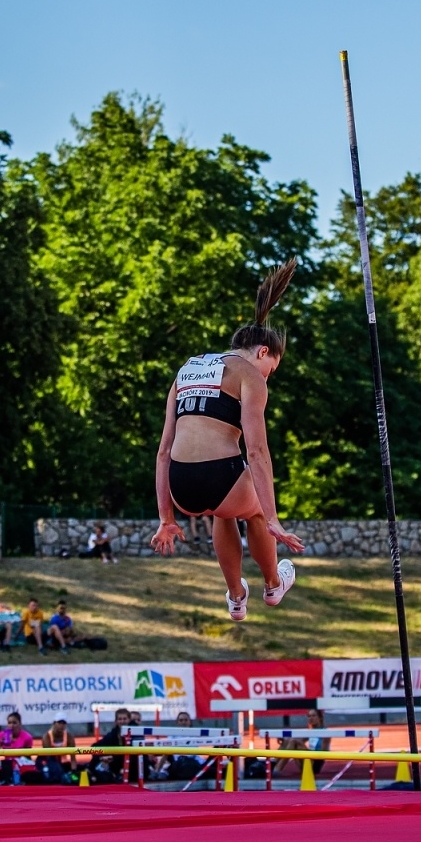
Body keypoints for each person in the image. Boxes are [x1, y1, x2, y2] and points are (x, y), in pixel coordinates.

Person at [152, 260, 306, 622]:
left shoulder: (187, 369)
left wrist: (165, 517)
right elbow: (257, 450)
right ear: (262, 352)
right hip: (220, 476)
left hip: (180, 485)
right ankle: (273, 585)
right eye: (271, 370)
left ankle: (236, 596)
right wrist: (272, 517)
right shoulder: (249, 375)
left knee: (223, 511)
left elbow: (163, 451)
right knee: (253, 510)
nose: (268, 378)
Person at [89, 707, 132, 783]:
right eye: (120, 719)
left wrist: (113, 757)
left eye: (124, 719)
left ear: (129, 720)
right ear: (116, 721)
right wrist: (102, 758)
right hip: (115, 765)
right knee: (96, 761)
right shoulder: (112, 734)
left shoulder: (136, 733)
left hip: (131, 765)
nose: (122, 721)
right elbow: (95, 747)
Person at [0, 712, 34, 784]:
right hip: (6, 766)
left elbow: (28, 758)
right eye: (9, 723)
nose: (11, 725)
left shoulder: (27, 737)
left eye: (14, 723)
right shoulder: (2, 735)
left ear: (20, 724)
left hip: (20, 766)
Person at [39, 713, 76, 784]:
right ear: (54, 723)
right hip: (49, 762)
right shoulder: (46, 737)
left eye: (63, 723)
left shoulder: (69, 737)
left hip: (64, 763)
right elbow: (49, 756)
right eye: (59, 723)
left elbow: (73, 758)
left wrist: (73, 771)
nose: (61, 725)